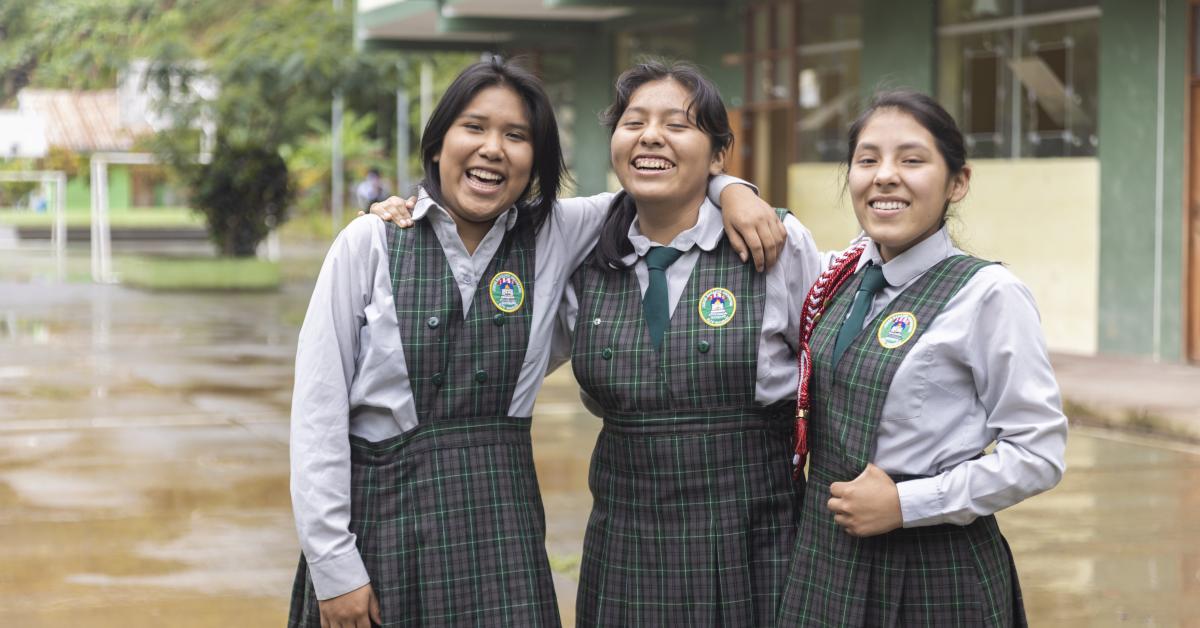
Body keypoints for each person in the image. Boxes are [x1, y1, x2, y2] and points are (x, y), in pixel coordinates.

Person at [289, 57, 782, 628]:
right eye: (473, 127)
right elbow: (316, 417)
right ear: (438, 142)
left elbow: (660, 186)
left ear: (535, 160)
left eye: (516, 136)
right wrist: (335, 566)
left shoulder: (557, 233)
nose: (493, 149)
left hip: (502, 537)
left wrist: (734, 190)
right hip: (383, 528)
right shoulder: (369, 243)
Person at [775, 90, 1067, 627]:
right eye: (867, 160)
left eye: (912, 160)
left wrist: (909, 504)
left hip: (934, 572)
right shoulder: (837, 276)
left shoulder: (987, 294)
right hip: (825, 562)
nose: (885, 176)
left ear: (958, 182)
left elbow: (1039, 452)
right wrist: (731, 191)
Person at [553, 61, 822, 626]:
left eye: (678, 124)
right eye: (634, 122)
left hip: (755, 539)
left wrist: (731, 192)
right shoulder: (581, 246)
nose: (651, 136)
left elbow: (820, 376)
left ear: (719, 153)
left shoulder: (776, 241)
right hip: (625, 548)